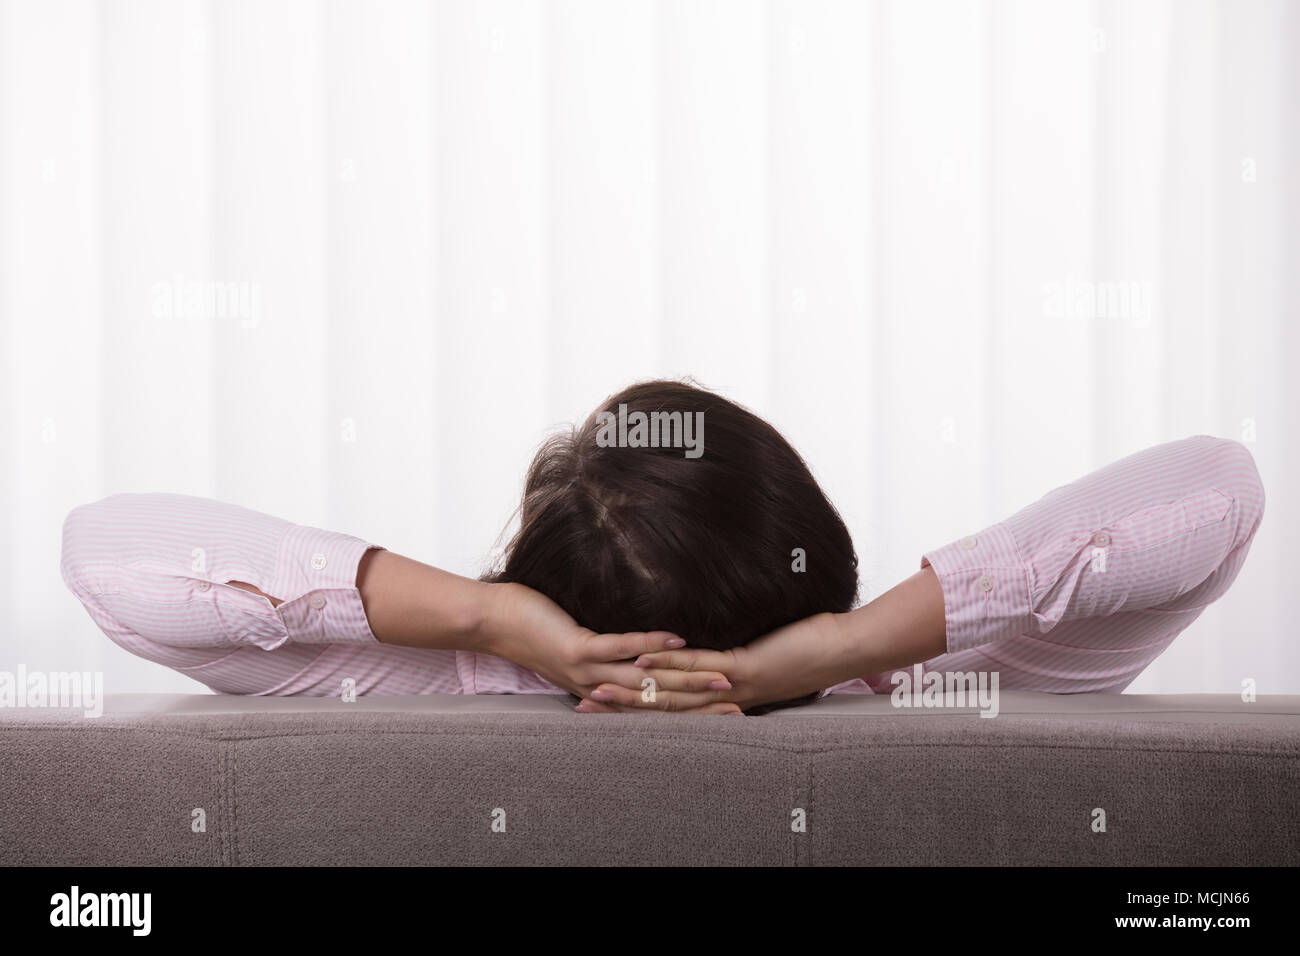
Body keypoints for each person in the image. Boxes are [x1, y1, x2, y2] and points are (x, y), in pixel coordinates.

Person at [60, 380, 1265, 715]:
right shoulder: (955, 683)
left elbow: (108, 559)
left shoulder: (417, 677)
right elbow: (1217, 494)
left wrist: (489, 623)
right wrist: (846, 646)